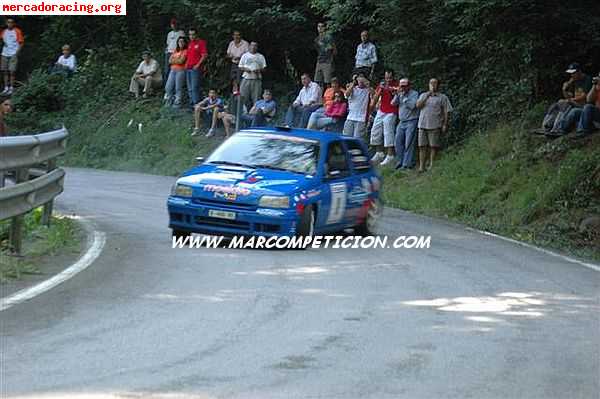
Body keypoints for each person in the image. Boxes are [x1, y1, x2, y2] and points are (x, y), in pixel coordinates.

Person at [541, 62, 592, 136]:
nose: (572, 75)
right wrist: (564, 89)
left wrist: (570, 100)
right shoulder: (574, 81)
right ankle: (547, 125)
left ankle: (558, 128)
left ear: (579, 72)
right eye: (571, 73)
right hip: (575, 103)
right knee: (557, 104)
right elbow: (568, 96)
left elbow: (584, 96)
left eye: (574, 73)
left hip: (583, 105)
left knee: (566, 103)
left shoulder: (587, 79)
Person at [416, 77, 453, 172]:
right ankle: (422, 166)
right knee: (422, 146)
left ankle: (432, 165)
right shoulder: (423, 95)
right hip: (422, 124)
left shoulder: (443, 97)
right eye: (431, 83)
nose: (433, 85)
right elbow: (418, 106)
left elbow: (446, 112)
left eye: (435, 83)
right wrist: (428, 95)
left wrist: (445, 124)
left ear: (438, 85)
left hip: (435, 124)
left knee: (433, 146)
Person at [370, 69, 399, 166]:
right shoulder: (382, 84)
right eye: (386, 77)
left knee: (388, 132)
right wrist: (380, 89)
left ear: (393, 77)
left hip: (391, 111)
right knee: (375, 130)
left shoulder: (397, 84)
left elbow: (396, 93)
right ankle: (379, 153)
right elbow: (376, 98)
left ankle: (390, 155)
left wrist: (390, 88)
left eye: (390, 77)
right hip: (381, 110)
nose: (388, 80)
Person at [392, 78, 419, 169]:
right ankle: (400, 161)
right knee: (397, 142)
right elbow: (393, 103)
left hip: (411, 120)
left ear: (408, 86)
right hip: (402, 121)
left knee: (409, 143)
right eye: (400, 86)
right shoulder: (400, 94)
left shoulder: (414, 94)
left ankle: (407, 164)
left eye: (404, 86)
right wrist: (396, 95)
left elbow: (412, 106)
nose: (402, 88)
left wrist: (404, 98)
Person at [238, 41, 267, 111]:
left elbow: (265, 68)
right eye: (252, 45)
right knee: (243, 97)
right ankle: (243, 114)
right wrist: (245, 69)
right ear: (249, 47)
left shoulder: (260, 56)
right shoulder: (245, 55)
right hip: (246, 78)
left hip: (256, 79)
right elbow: (240, 66)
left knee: (256, 98)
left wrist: (258, 70)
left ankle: (255, 115)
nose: (253, 47)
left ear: (257, 47)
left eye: (255, 46)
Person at [343, 74, 372, 139]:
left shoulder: (368, 90)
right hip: (350, 117)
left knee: (357, 139)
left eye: (362, 78)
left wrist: (368, 84)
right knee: (346, 138)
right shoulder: (353, 88)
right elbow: (346, 95)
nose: (361, 80)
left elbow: (374, 95)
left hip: (361, 119)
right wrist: (353, 83)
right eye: (359, 78)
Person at [1, 18, 24, 95]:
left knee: (12, 71)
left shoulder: (17, 31)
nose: (10, 23)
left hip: (13, 54)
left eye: (11, 22)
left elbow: (21, 42)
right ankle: (6, 88)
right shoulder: (4, 31)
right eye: (8, 22)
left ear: (13, 23)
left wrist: (17, 52)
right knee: (5, 71)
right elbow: (2, 40)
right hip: (4, 54)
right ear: (6, 23)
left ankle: (11, 88)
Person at [186, 28, 208, 107]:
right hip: (188, 67)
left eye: (193, 34)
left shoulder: (201, 43)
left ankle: (196, 104)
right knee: (189, 87)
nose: (191, 36)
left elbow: (204, 55)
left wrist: (198, 64)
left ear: (196, 34)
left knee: (195, 87)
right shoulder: (190, 43)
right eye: (190, 34)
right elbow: (189, 56)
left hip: (195, 68)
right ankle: (192, 103)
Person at [163, 37, 187, 107]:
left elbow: (181, 61)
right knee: (168, 86)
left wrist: (174, 61)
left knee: (178, 87)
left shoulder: (186, 51)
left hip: (180, 71)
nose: (181, 43)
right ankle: (169, 99)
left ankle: (177, 102)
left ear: (185, 43)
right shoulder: (175, 51)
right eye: (179, 42)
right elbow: (169, 61)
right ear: (177, 43)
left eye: (182, 42)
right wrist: (177, 61)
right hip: (172, 70)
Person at [576, 72, 600, 137]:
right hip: (597, 113)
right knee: (579, 111)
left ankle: (583, 131)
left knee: (587, 107)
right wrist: (594, 86)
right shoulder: (597, 87)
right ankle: (581, 130)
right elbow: (588, 99)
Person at [314, 22, 336, 87]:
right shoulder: (316, 39)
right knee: (318, 81)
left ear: (324, 28)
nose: (320, 28)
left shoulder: (328, 37)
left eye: (322, 26)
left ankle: (329, 95)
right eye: (318, 26)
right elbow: (318, 50)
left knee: (328, 81)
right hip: (319, 61)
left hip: (327, 61)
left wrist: (331, 59)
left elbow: (333, 49)